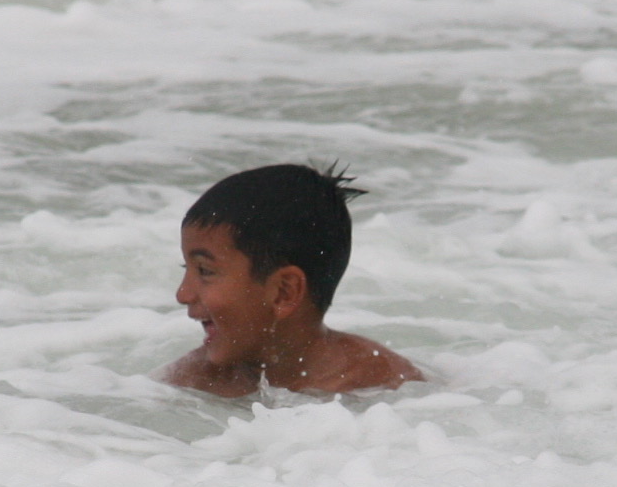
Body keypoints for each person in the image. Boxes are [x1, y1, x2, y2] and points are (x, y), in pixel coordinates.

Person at [161, 163, 424, 397]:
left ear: (284, 292)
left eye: (205, 271)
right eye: (186, 268)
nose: (183, 294)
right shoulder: (192, 380)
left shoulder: (383, 387)